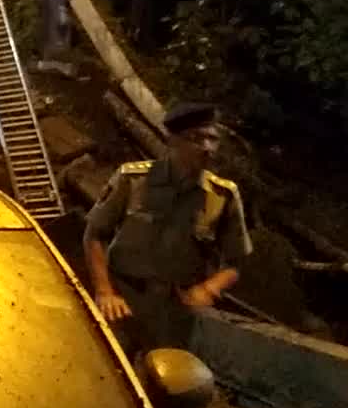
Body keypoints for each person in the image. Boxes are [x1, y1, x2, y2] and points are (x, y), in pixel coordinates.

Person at [84, 104, 253, 357]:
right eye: (196, 139)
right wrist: (105, 291)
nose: (207, 148)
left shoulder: (223, 196)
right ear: (172, 140)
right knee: (105, 372)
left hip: (175, 312)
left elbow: (236, 261)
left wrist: (208, 289)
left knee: (168, 383)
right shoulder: (133, 180)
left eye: (212, 139)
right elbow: (95, 234)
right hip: (123, 300)